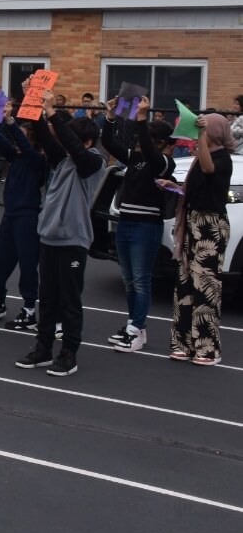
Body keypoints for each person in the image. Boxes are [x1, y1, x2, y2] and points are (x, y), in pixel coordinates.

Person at [15, 88, 104, 377]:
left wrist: (54, 112)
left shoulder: (92, 163)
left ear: (88, 142)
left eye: (74, 140)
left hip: (73, 241)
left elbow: (73, 147)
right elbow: (44, 135)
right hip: (49, 238)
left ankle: (69, 354)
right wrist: (33, 99)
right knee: (48, 297)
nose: (65, 143)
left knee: (69, 300)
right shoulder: (63, 160)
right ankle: (43, 348)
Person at [100, 96, 174, 352]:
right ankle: (134, 325)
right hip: (127, 222)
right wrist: (110, 117)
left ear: (161, 142)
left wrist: (141, 119)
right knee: (129, 279)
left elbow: (149, 148)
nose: (139, 139)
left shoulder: (163, 163)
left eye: (148, 136)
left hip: (146, 226)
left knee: (141, 279)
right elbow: (108, 142)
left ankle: (137, 329)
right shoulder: (135, 159)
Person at [163, 113, 234, 365]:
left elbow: (208, 169)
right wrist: (173, 187)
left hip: (210, 226)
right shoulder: (199, 157)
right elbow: (196, 189)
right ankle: (184, 343)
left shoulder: (222, 158)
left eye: (205, 127)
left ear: (215, 130)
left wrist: (202, 138)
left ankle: (208, 349)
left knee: (205, 287)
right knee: (185, 285)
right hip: (192, 221)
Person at [0, 101, 48, 329]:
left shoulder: (37, 161)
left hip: (28, 218)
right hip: (9, 216)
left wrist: (10, 121)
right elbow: (1, 142)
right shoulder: (16, 157)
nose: (18, 140)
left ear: (32, 140)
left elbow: (25, 147)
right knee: (0, 264)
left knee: (28, 267)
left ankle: (29, 310)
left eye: (23, 136)